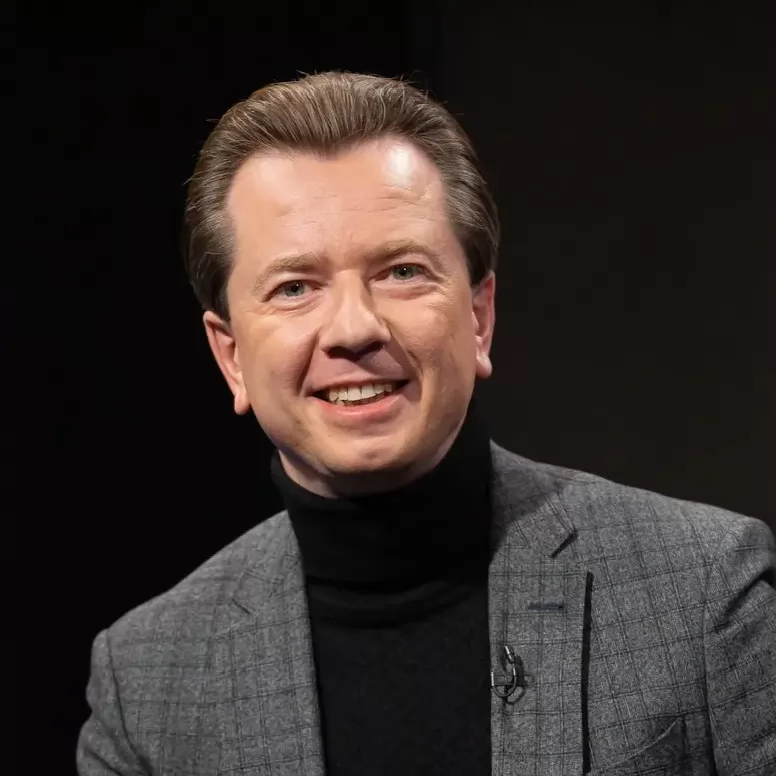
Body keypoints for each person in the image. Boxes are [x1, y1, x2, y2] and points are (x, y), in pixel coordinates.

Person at [76, 72, 776, 776]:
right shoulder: (147, 686)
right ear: (231, 357)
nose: (354, 328)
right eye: (295, 287)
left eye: (402, 272)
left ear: (479, 318)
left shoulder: (706, 590)